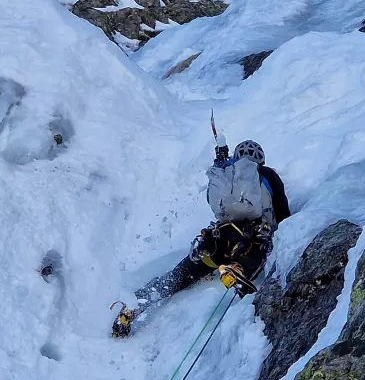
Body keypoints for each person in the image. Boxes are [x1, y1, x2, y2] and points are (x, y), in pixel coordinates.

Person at [112, 140, 289, 337]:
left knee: (178, 276)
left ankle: (136, 304)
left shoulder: (226, 174)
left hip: (219, 236)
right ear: (261, 160)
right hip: (251, 239)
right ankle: (235, 268)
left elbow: (213, 202)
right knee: (252, 256)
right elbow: (284, 214)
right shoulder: (269, 175)